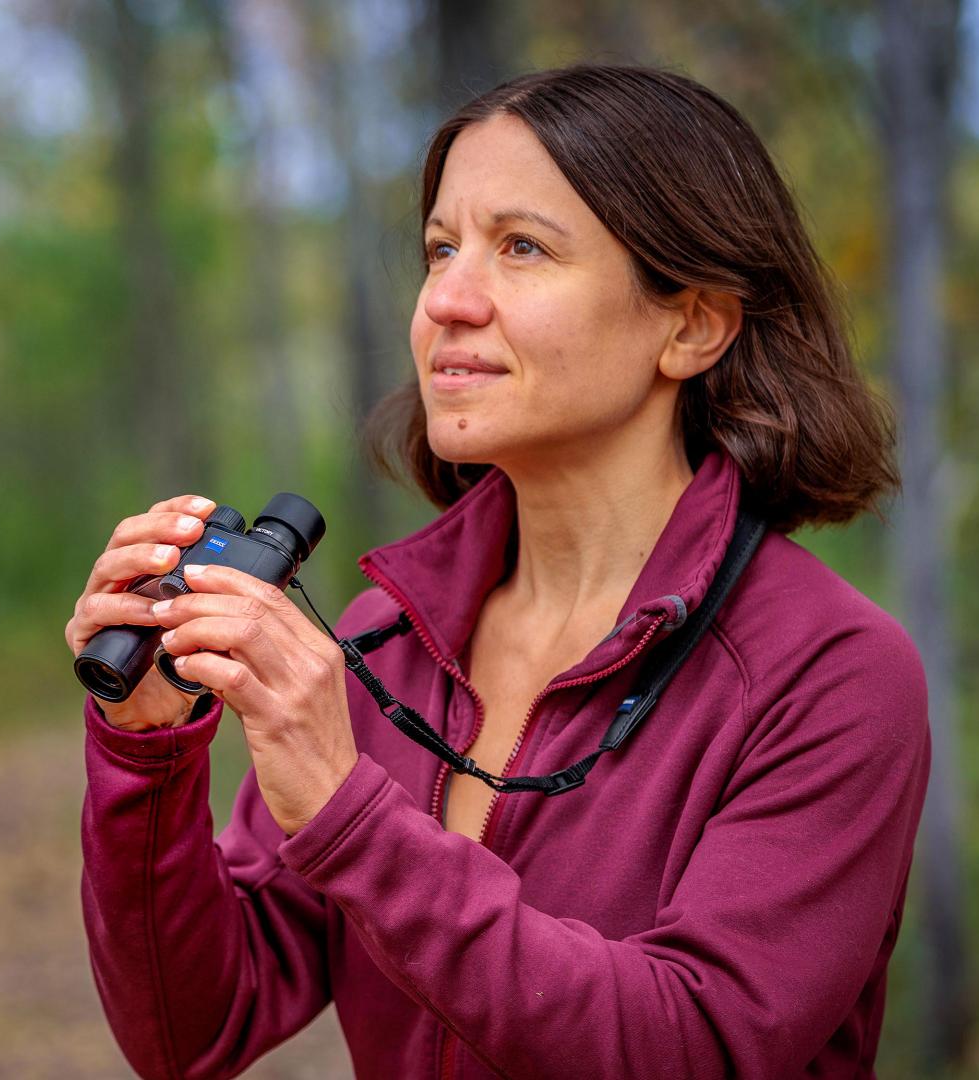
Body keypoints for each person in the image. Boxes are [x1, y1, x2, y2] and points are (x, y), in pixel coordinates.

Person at [65, 64, 930, 1079]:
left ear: (691, 324)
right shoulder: (392, 635)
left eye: (522, 248)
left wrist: (352, 819)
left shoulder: (831, 674)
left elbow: (697, 1046)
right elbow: (193, 1029)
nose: (448, 301)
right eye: (440, 250)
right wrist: (149, 751)